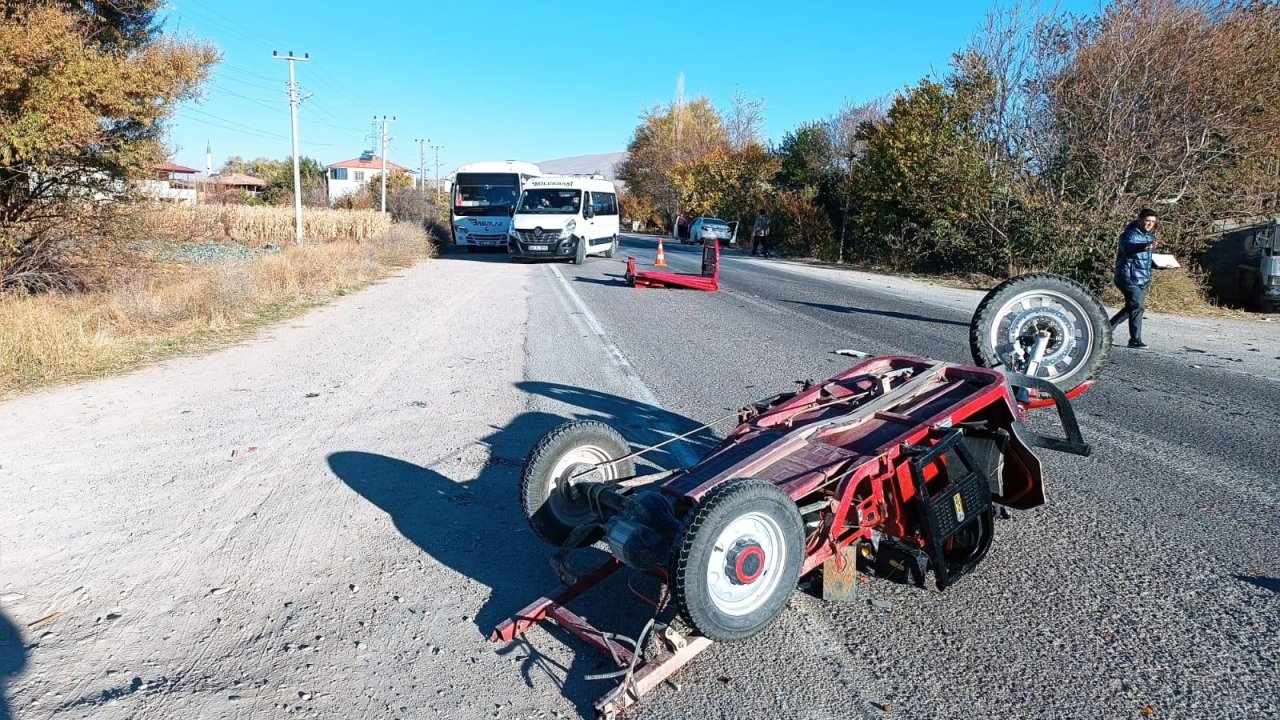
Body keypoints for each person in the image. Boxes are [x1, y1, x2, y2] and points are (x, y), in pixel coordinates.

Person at [1110, 208, 1159, 349]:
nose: (1150, 224)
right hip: (1128, 277)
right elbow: (1128, 248)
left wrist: (1162, 265)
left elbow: (1147, 260)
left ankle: (1104, 330)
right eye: (1147, 221)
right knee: (1137, 307)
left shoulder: (1150, 237)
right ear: (1139, 219)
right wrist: (1144, 246)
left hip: (1141, 278)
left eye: (1153, 222)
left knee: (1131, 307)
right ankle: (1135, 340)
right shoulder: (1129, 234)